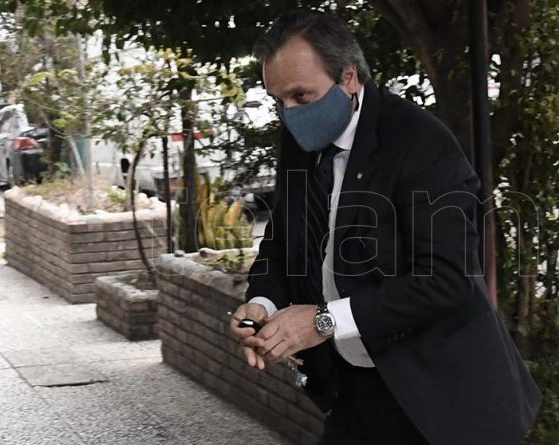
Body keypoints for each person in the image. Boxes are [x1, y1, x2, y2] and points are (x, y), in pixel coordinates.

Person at [229, 11, 541, 445]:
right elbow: (282, 242)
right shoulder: (300, 146)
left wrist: (322, 321)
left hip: (443, 399)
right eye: (278, 101)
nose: (290, 114)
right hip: (354, 390)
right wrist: (261, 304)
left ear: (349, 77)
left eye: (301, 95)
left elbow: (445, 279)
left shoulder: (419, 142)